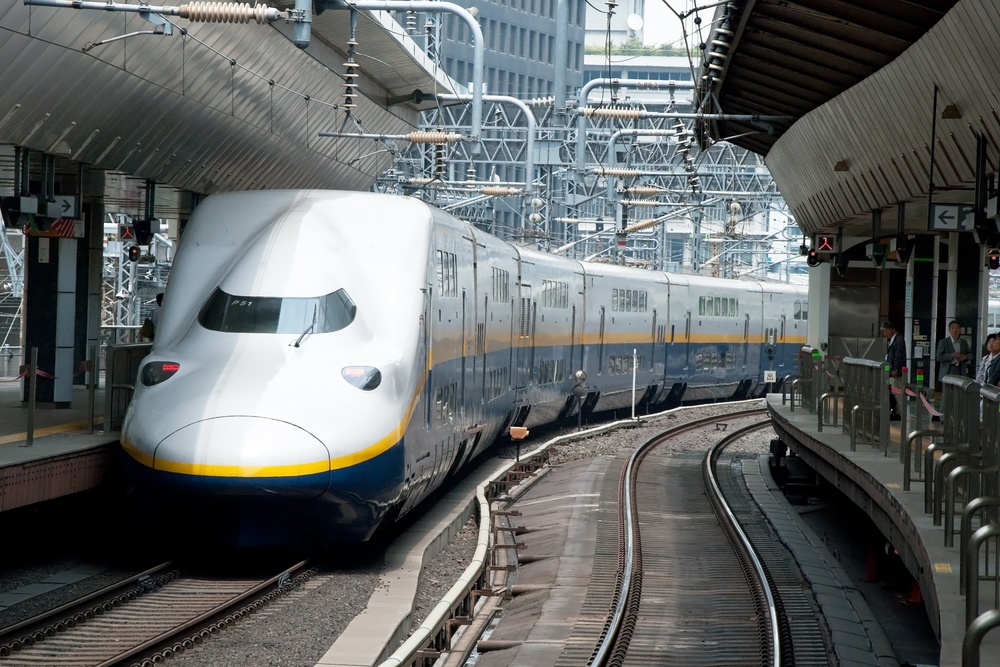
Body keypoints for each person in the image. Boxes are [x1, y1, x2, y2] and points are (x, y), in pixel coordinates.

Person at [882, 321, 906, 421]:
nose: (884, 333)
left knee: (898, 392)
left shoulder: (899, 340)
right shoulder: (891, 340)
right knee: (893, 391)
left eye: (885, 331)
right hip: (891, 371)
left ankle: (899, 413)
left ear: (891, 329)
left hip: (896, 373)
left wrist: (896, 369)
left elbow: (898, 356)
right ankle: (895, 411)